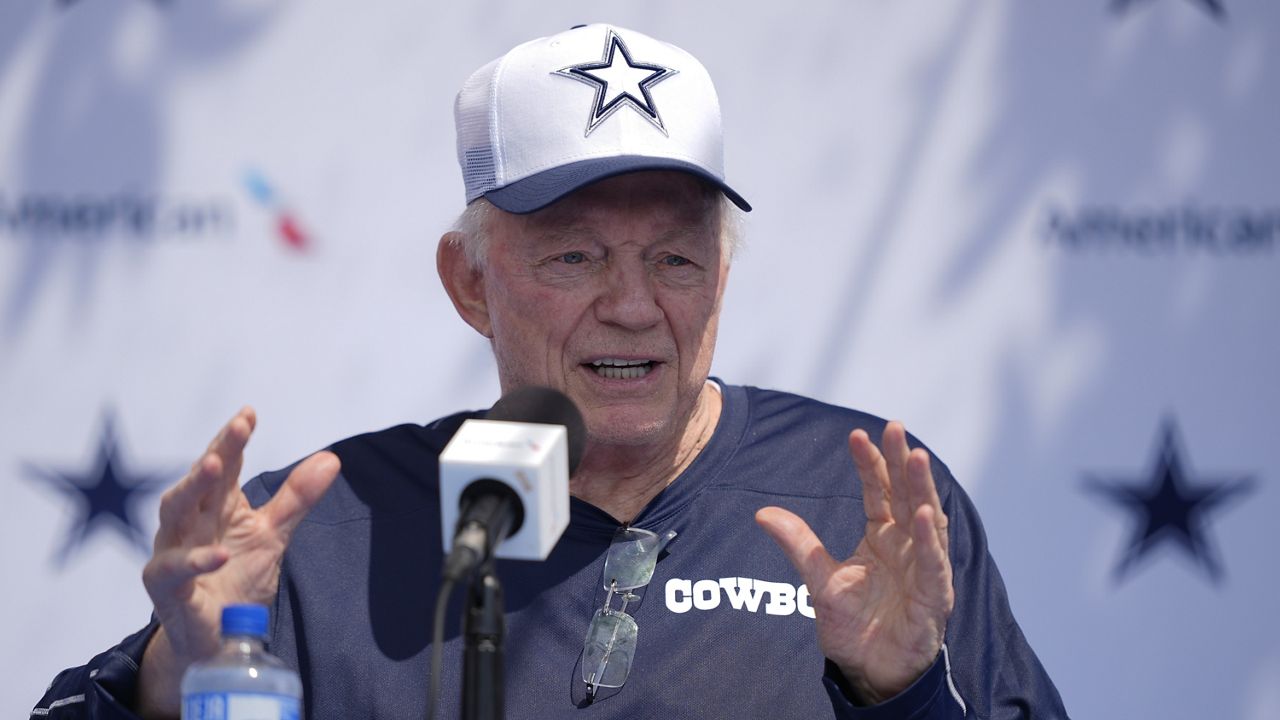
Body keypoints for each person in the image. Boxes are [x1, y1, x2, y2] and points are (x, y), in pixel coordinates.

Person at [34, 24, 1068, 719]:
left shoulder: (866, 505)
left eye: (674, 256)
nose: (631, 303)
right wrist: (176, 677)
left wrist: (903, 693)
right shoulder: (315, 536)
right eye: (574, 256)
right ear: (470, 284)